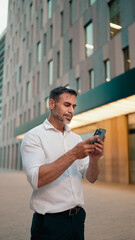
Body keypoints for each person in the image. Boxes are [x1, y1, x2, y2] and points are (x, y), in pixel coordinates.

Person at [21, 86, 105, 240]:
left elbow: (91, 178)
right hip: (49, 223)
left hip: (77, 219)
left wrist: (94, 160)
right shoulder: (33, 137)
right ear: (52, 104)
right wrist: (73, 154)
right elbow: (36, 179)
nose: (71, 110)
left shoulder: (76, 138)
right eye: (66, 105)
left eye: (73, 106)